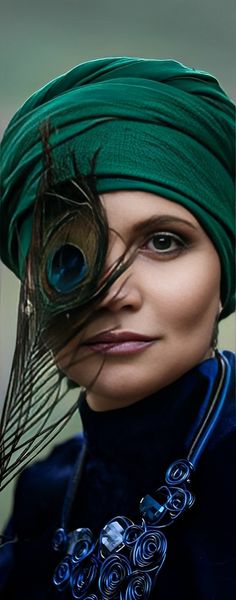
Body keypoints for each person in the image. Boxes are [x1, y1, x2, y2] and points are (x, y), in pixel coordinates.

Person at [0, 57, 235, 599]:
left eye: (162, 241)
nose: (111, 293)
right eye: (69, 253)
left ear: (224, 271)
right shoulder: (42, 494)